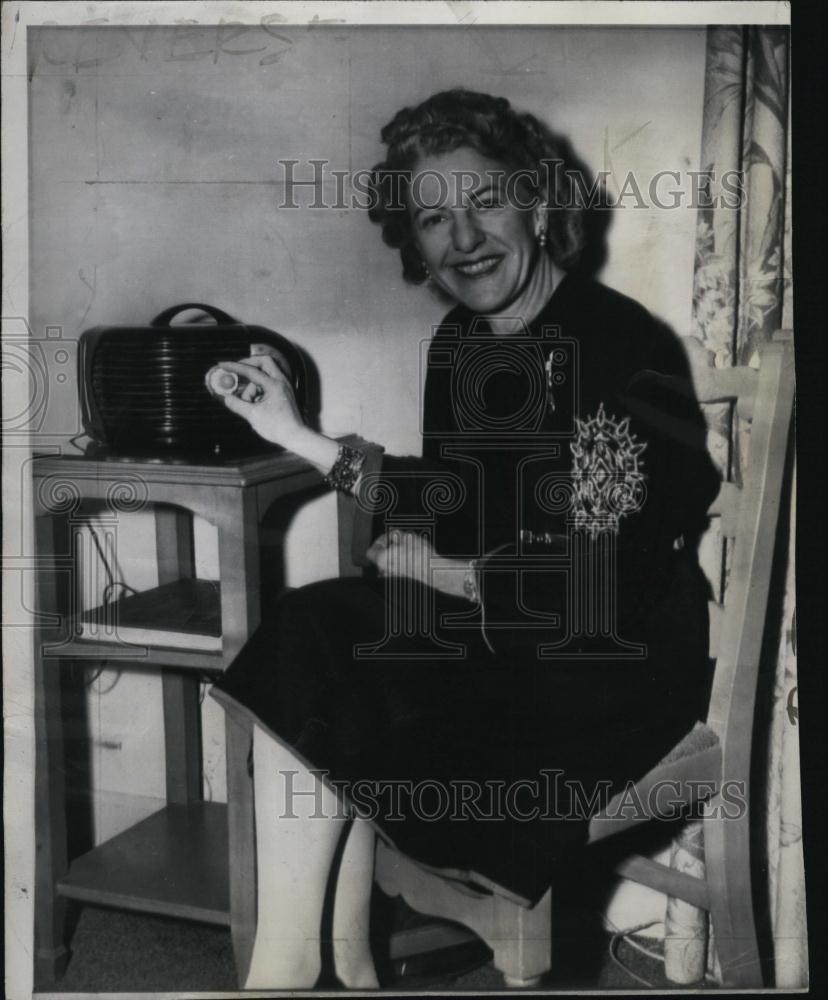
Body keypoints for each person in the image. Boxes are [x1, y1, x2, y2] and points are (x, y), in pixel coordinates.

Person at [210, 89, 720, 989]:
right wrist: (296, 435)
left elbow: (610, 567)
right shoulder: (461, 344)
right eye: (434, 219)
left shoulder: (617, 343)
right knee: (321, 624)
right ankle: (312, 967)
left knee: (360, 650)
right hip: (512, 634)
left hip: (615, 659)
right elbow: (454, 497)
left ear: (537, 200)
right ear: (416, 247)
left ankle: (298, 975)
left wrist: (454, 576)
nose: (465, 238)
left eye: (484, 201)